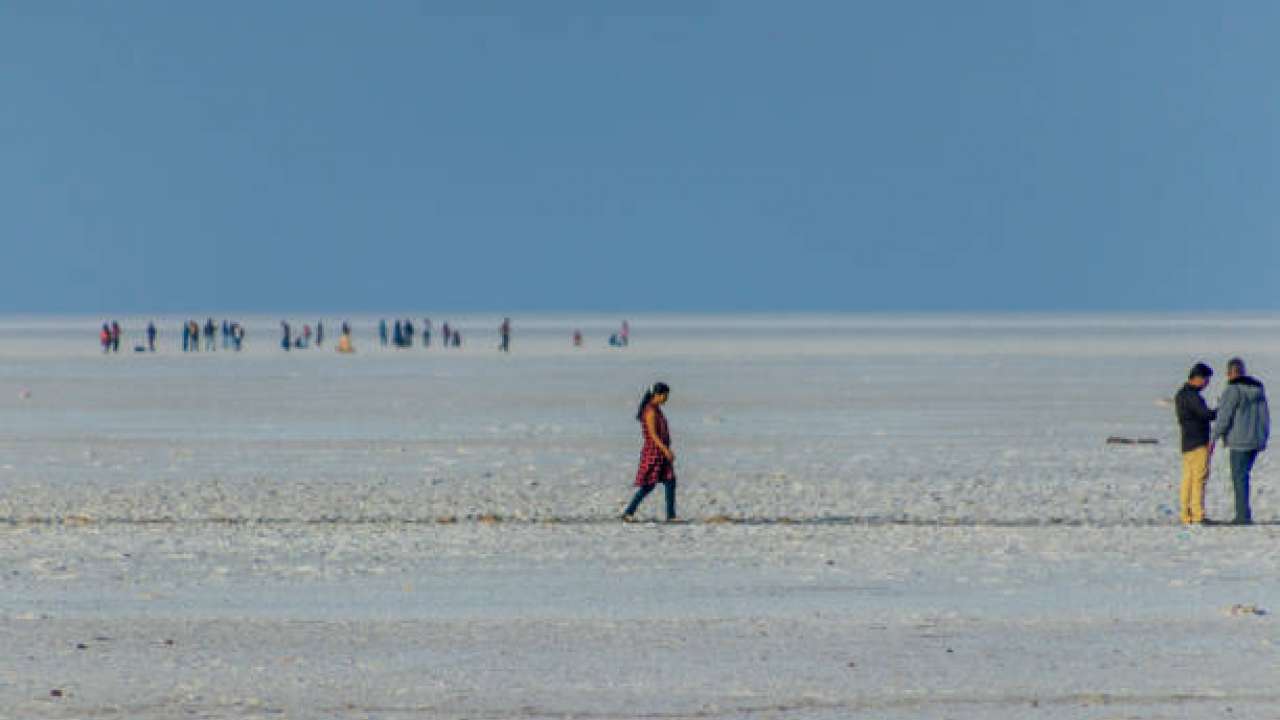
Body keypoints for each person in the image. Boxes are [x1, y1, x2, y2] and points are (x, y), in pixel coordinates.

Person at [1213, 357, 1270, 525]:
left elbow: (1224, 416)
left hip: (1239, 441)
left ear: (1230, 373)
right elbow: (1265, 416)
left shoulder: (1233, 390)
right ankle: (1243, 513)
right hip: (1255, 439)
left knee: (1239, 478)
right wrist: (1263, 436)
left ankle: (1242, 515)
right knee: (1244, 476)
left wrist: (1214, 436)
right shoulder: (1258, 389)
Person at [623, 382, 679, 522]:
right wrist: (665, 449)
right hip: (654, 451)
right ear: (657, 395)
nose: (666, 398)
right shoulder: (650, 411)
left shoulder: (656, 409)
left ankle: (671, 516)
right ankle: (629, 512)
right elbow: (653, 435)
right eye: (665, 395)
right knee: (648, 484)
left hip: (660, 451)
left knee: (670, 481)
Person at [1175, 363, 1216, 525]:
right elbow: (1205, 414)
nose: (1207, 384)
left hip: (1187, 442)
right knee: (1198, 479)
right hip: (1198, 442)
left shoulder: (1181, 394)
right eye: (1206, 380)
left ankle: (1186, 513)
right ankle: (1198, 514)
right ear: (1198, 378)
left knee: (1188, 479)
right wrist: (1219, 411)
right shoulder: (1192, 396)